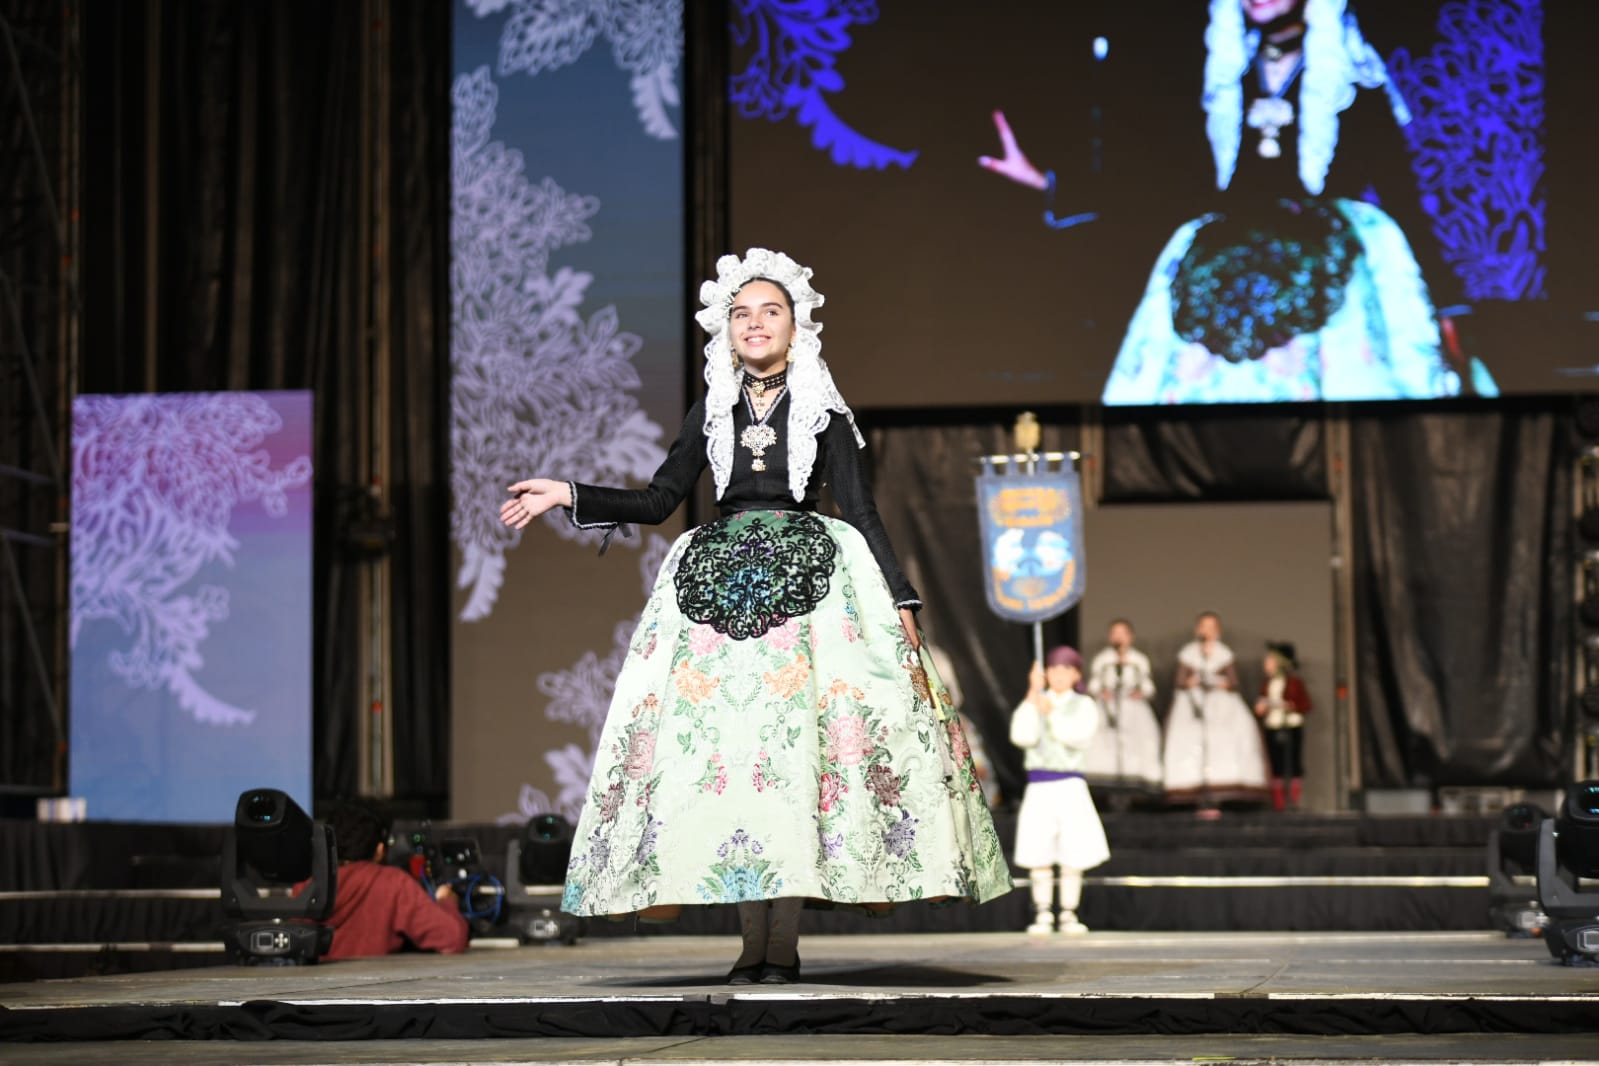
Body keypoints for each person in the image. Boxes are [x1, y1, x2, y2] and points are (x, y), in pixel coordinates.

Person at [499, 248, 1010, 984]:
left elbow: (860, 511)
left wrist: (898, 599)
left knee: (795, 759)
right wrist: (568, 493)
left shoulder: (824, 410)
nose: (755, 323)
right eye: (742, 313)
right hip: (713, 589)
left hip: (810, 587)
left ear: (796, 326)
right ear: (726, 331)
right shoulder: (711, 408)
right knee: (735, 763)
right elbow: (656, 500)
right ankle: (751, 946)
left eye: (770, 311)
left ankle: (784, 943)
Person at [980, 0, 1498, 403]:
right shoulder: (1223, 78)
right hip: (1224, 262)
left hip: (1332, 264)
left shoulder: (1351, 79)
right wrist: (1047, 182)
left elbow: (1404, 197)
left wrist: (1447, 308)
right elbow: (1158, 187)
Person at [1009, 646, 1110, 935]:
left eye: (1066, 669)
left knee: (1072, 850)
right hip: (1040, 786)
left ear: (1076, 673)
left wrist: (1051, 715)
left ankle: (1068, 913)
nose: (1059, 675)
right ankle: (1042, 913)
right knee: (1038, 849)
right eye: (1053, 669)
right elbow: (1021, 736)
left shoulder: (1084, 704)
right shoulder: (1035, 702)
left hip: (1070, 784)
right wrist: (1032, 695)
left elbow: (1077, 738)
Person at [309, 802, 469, 961]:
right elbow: (452, 937)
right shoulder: (391, 883)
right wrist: (447, 901)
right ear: (379, 850)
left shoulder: (307, 882)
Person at [1162, 612, 1270, 814]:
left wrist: (1221, 683)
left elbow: (1234, 683)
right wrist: (1190, 682)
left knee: (1224, 743)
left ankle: (1219, 796)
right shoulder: (1188, 653)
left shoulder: (1224, 653)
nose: (1207, 631)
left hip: (1221, 706)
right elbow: (1180, 681)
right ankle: (1195, 794)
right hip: (1193, 704)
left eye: (1211, 627)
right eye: (1203, 626)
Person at [1084, 619, 1164, 798]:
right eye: (1114, 633)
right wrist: (1101, 692)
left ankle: (1135, 786)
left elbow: (1148, 685)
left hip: (1133, 708)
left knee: (1137, 744)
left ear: (1130, 637)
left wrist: (1141, 692)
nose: (1118, 637)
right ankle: (1107, 786)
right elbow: (1094, 683)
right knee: (1105, 744)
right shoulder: (1103, 659)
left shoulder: (1139, 659)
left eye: (1123, 633)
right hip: (1108, 708)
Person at [1255, 640, 1312, 811]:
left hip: (1291, 725)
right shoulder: (1267, 684)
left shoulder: (1294, 683)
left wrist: (1288, 705)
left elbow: (1305, 705)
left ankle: (1292, 801)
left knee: (1293, 764)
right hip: (1273, 726)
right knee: (1276, 765)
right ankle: (1279, 804)